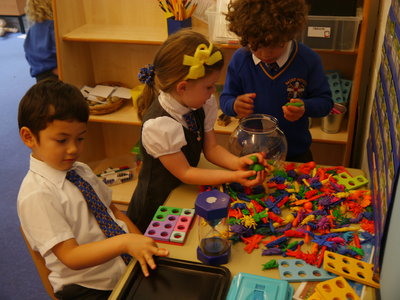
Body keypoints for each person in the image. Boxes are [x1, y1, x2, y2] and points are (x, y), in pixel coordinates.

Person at [17, 79, 169, 300]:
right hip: (86, 287)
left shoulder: (80, 170)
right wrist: (125, 243)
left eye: (80, 139)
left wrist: (144, 244)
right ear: (29, 137)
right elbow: (71, 256)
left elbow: (113, 213)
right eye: (61, 140)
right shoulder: (37, 194)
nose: (73, 149)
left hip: (119, 268)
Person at [127, 30, 267, 232]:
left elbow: (211, 148)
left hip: (184, 194)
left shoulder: (201, 102)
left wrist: (238, 164)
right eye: (209, 86)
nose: (213, 92)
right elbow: (185, 173)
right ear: (183, 87)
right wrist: (233, 176)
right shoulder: (159, 126)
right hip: (158, 207)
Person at [219, 0, 334, 163]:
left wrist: (305, 107)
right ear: (245, 39)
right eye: (256, 46)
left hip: (295, 154)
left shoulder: (308, 60)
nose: (265, 54)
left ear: (289, 34)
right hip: (249, 152)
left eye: (274, 45)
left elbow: (325, 103)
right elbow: (225, 99)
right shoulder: (240, 60)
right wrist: (234, 105)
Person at [23, 0, 58, 82]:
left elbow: (28, 54)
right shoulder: (53, 27)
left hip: (39, 76)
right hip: (55, 76)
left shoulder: (32, 30)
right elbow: (62, 55)